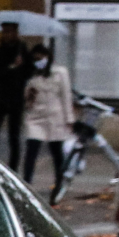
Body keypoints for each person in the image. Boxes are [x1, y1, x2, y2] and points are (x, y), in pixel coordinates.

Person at [19, 43, 74, 191]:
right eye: (35, 59)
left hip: (55, 117)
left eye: (41, 58)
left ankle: (59, 183)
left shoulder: (60, 72)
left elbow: (66, 95)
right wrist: (29, 94)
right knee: (31, 150)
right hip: (36, 117)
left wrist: (69, 119)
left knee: (57, 153)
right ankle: (27, 184)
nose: (39, 61)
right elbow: (26, 98)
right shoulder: (32, 73)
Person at [0, 33, 28, 163]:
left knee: (14, 136)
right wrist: (12, 67)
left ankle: (13, 165)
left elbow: (27, 74)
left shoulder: (22, 53)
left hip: (15, 99)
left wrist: (21, 65)